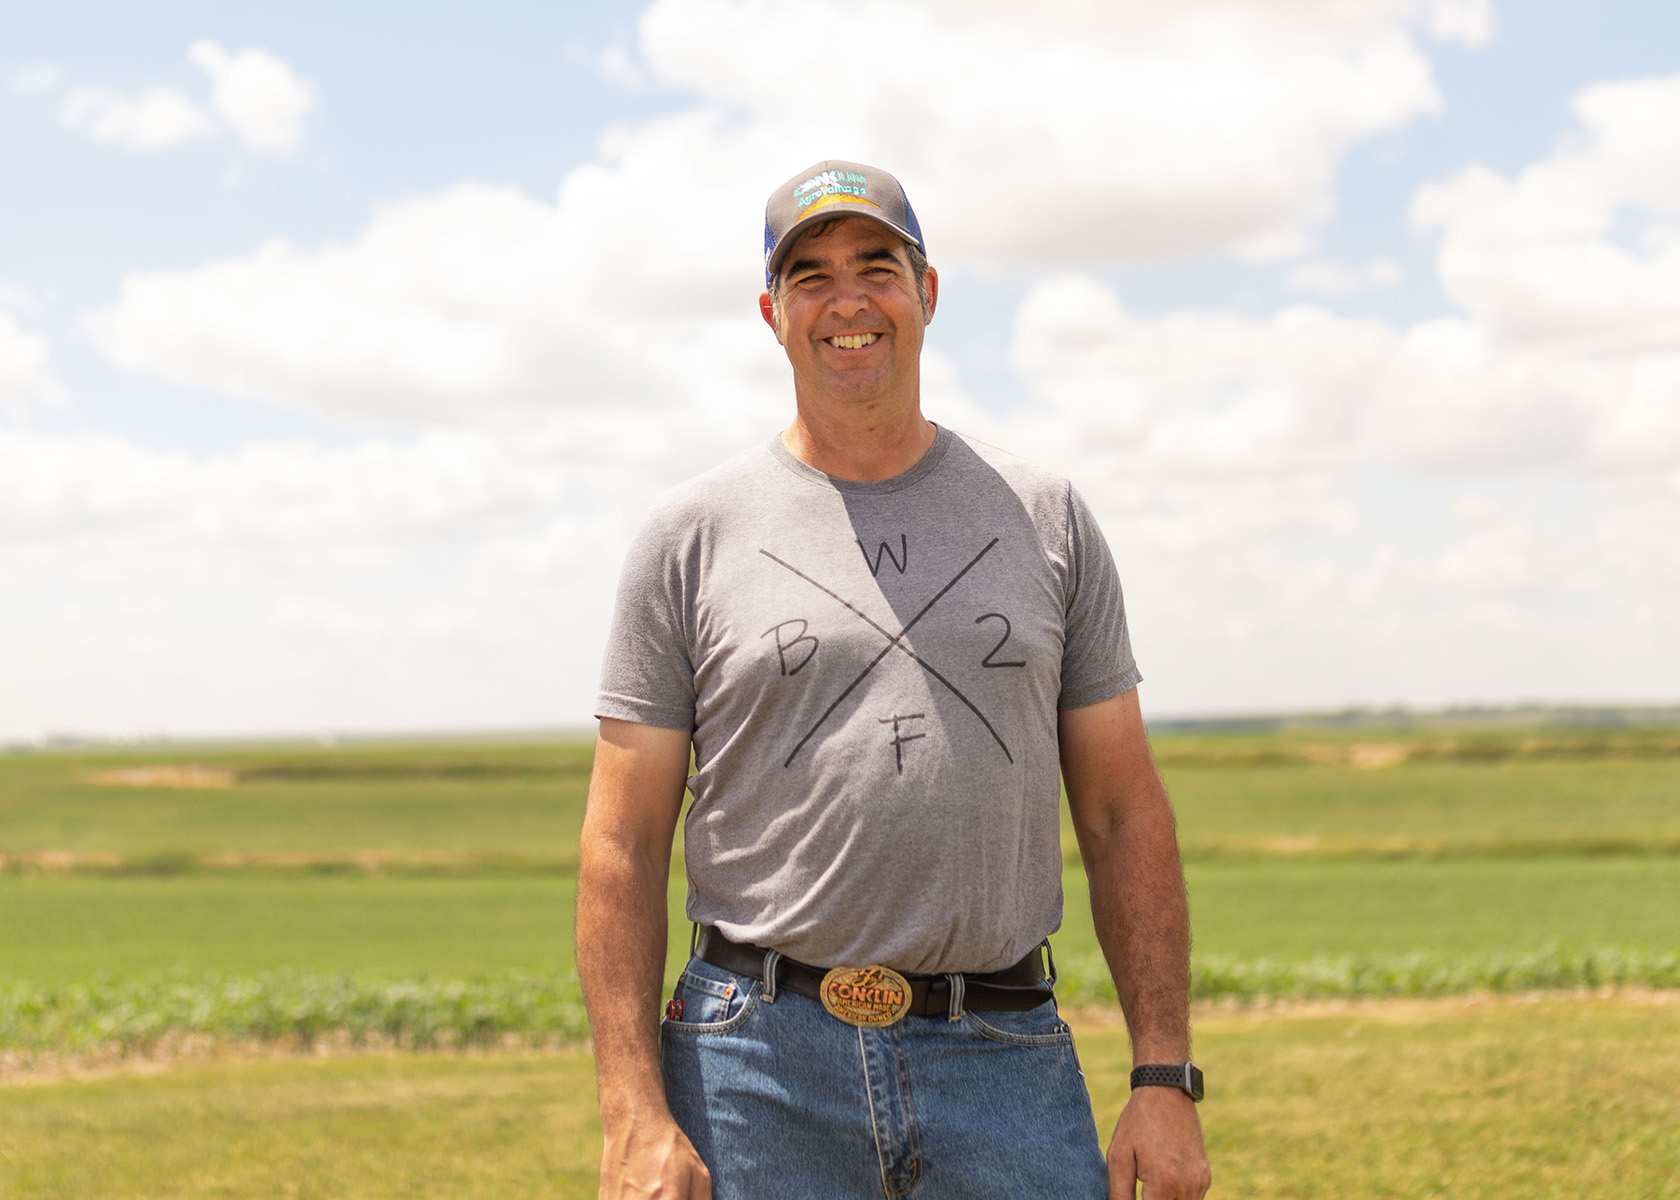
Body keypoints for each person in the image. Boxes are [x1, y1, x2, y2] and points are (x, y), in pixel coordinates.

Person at [577, 159, 1212, 1200]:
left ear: (925, 293)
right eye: (813, 276)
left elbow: (1121, 807)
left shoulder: (1045, 515)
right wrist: (632, 1110)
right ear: (774, 313)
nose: (848, 300)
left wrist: (1163, 1075)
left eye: (877, 266)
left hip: (1001, 1057)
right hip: (753, 1064)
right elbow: (623, 837)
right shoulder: (689, 536)